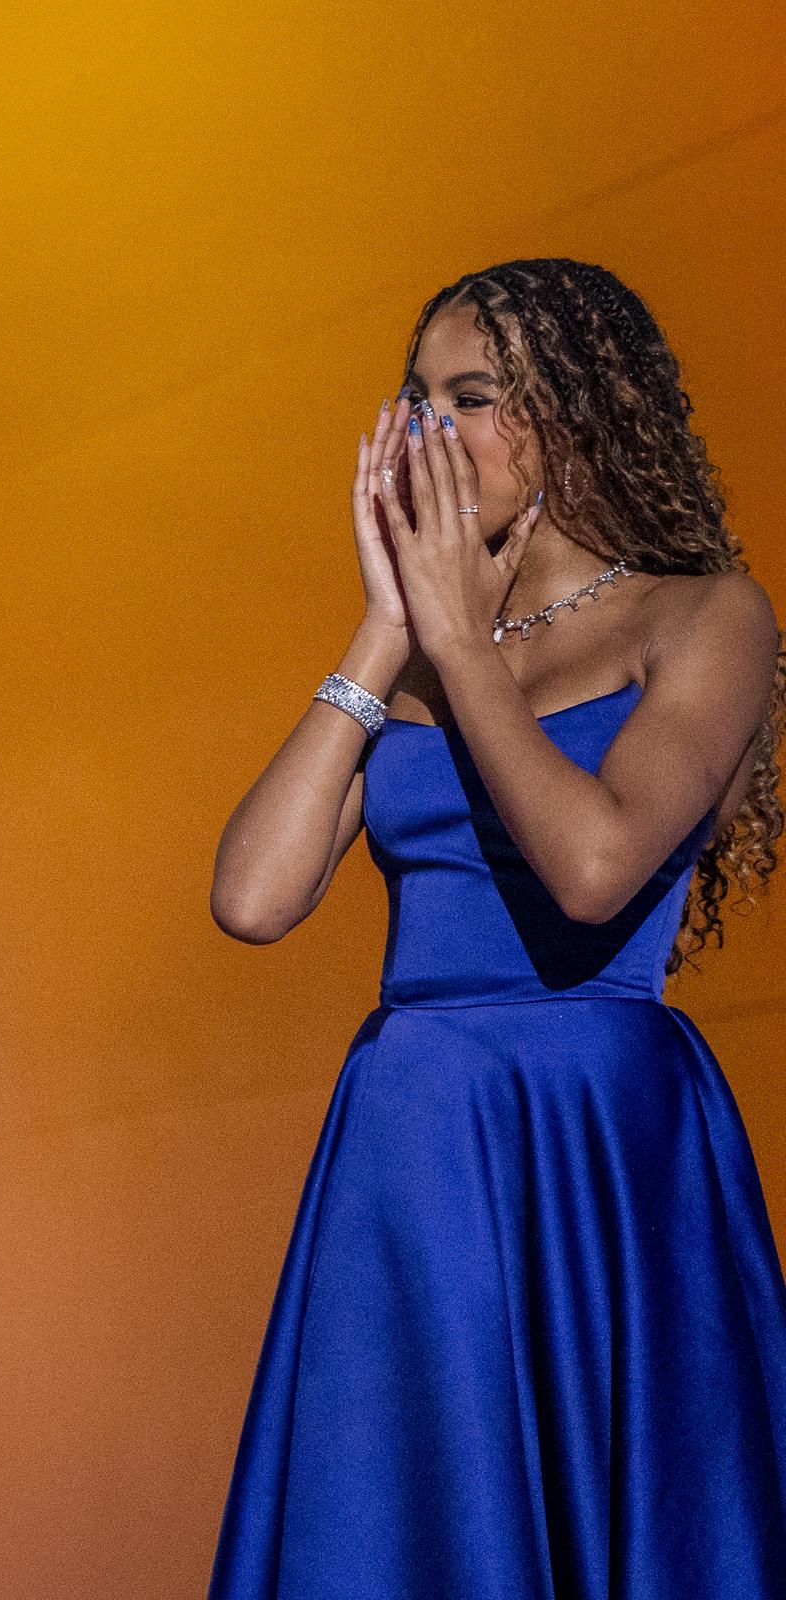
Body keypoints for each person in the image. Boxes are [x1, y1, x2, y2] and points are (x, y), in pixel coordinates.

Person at [207, 258, 786, 1594]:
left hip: (594, 1125)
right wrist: (384, 633)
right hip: (411, 1136)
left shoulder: (705, 616)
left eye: (473, 397)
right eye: (418, 400)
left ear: (574, 412)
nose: (434, 434)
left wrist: (461, 649)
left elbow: (593, 869)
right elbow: (252, 898)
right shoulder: (416, 647)